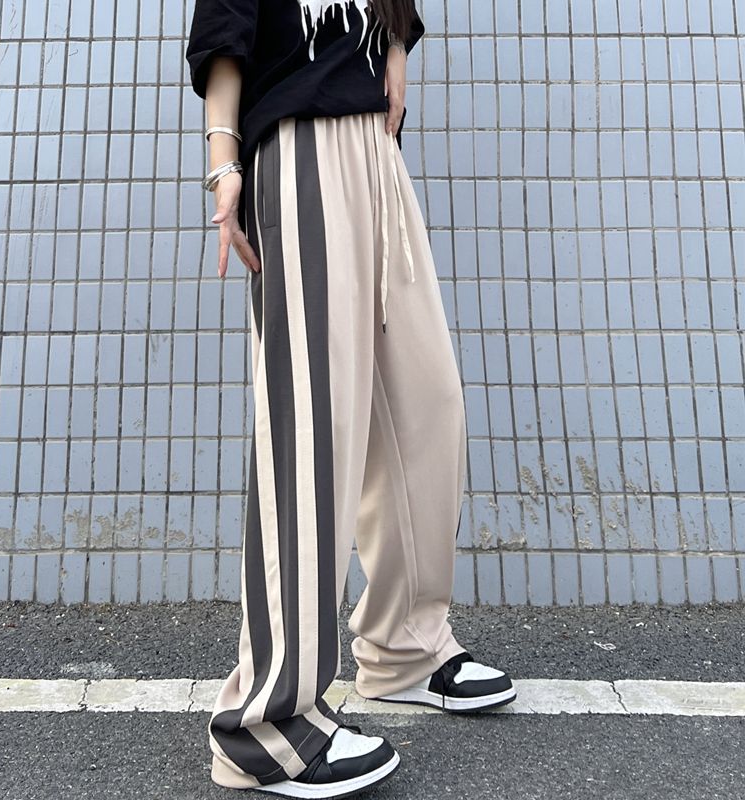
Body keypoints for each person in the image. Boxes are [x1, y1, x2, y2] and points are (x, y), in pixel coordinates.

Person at [185, 1, 516, 797]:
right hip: (298, 148)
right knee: (313, 428)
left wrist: (396, 49)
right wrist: (224, 162)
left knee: (427, 404)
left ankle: (403, 647)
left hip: (375, 151)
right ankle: (266, 723)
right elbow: (224, 34)